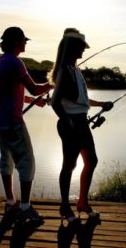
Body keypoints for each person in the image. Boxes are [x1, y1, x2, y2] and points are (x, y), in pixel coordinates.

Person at [50, 28, 113, 222]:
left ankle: (82, 203)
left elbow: (81, 100)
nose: (83, 51)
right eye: (81, 47)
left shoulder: (75, 69)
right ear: (72, 48)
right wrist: (67, 120)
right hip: (71, 124)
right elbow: (54, 101)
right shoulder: (64, 71)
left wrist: (101, 104)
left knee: (91, 161)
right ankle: (64, 207)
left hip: (81, 122)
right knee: (69, 165)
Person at [0, 26, 52, 221]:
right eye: (24, 40)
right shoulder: (17, 63)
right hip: (14, 123)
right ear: (17, 41)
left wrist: (37, 101)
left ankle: (10, 202)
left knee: (6, 160)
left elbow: (10, 92)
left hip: (0, 121)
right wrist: (54, 83)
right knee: (27, 164)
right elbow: (34, 89)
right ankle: (25, 208)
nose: (25, 42)